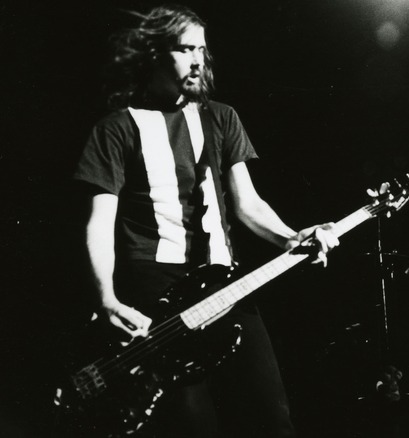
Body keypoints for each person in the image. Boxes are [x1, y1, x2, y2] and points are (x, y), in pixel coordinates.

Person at [72, 4, 338, 437]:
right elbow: (98, 223)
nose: (197, 60)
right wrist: (106, 297)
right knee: (193, 425)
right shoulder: (116, 129)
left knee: (272, 417)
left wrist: (291, 237)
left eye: (201, 48)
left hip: (225, 287)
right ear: (154, 54)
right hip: (155, 295)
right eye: (183, 49)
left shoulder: (221, 117)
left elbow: (247, 204)